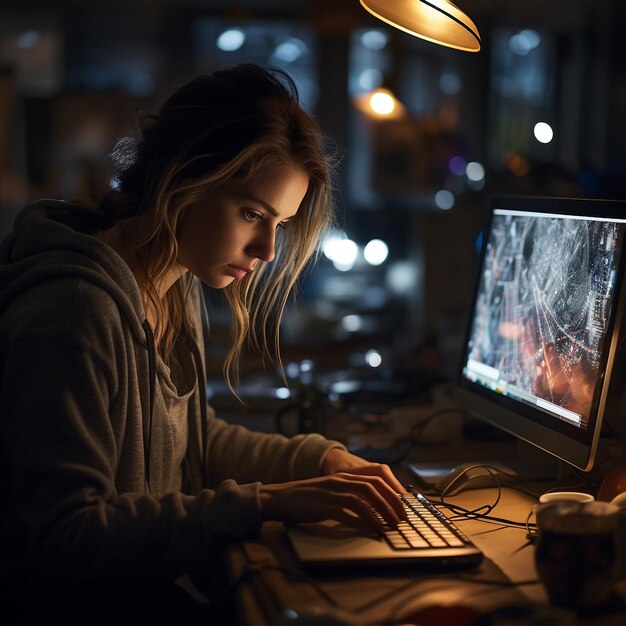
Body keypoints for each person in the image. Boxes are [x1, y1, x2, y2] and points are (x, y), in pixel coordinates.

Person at [0, 64, 406, 624]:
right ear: (183, 177)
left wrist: (318, 459)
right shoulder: (74, 312)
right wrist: (265, 503)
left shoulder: (171, 281)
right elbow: (66, 536)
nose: (266, 249)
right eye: (251, 213)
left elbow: (193, 442)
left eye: (280, 224)